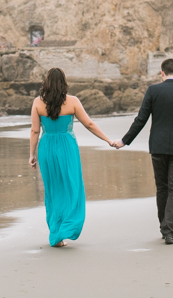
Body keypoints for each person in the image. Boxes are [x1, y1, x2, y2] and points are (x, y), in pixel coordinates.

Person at [115, 58, 173, 245]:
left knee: (162, 187)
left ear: (162, 73)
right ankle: (169, 230)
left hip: (158, 146)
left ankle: (165, 227)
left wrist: (124, 141)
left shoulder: (153, 91)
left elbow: (141, 119)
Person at [29, 68, 116, 247]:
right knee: (72, 187)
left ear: (46, 82)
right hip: (67, 147)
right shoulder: (72, 101)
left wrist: (32, 155)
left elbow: (35, 130)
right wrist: (107, 139)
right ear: (64, 83)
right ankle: (66, 228)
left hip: (46, 148)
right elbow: (89, 124)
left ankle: (57, 234)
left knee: (53, 191)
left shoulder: (38, 102)